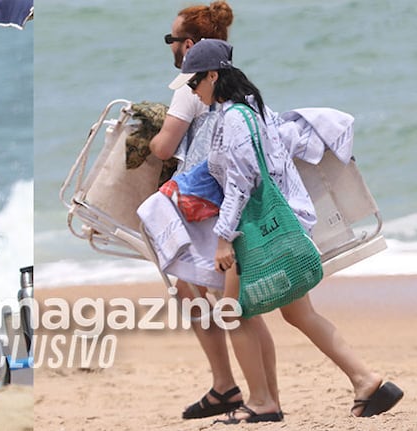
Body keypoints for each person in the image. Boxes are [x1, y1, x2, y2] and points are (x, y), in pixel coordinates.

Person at [166, 38, 403, 423]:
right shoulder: (253, 108)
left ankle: (263, 402)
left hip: (256, 229)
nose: (194, 91)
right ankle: (367, 381)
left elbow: (243, 182)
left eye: (195, 83)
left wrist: (224, 236)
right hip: (286, 222)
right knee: (299, 314)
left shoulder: (233, 118)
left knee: (234, 313)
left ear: (212, 75)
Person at [146, 2, 274, 420]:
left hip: (208, 207)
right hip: (222, 204)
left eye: (172, 39)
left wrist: (148, 139)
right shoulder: (241, 91)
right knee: (224, 301)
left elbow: (165, 147)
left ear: (188, 44)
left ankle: (246, 393)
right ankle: (244, 390)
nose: (171, 46)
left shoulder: (191, 89)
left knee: (221, 302)